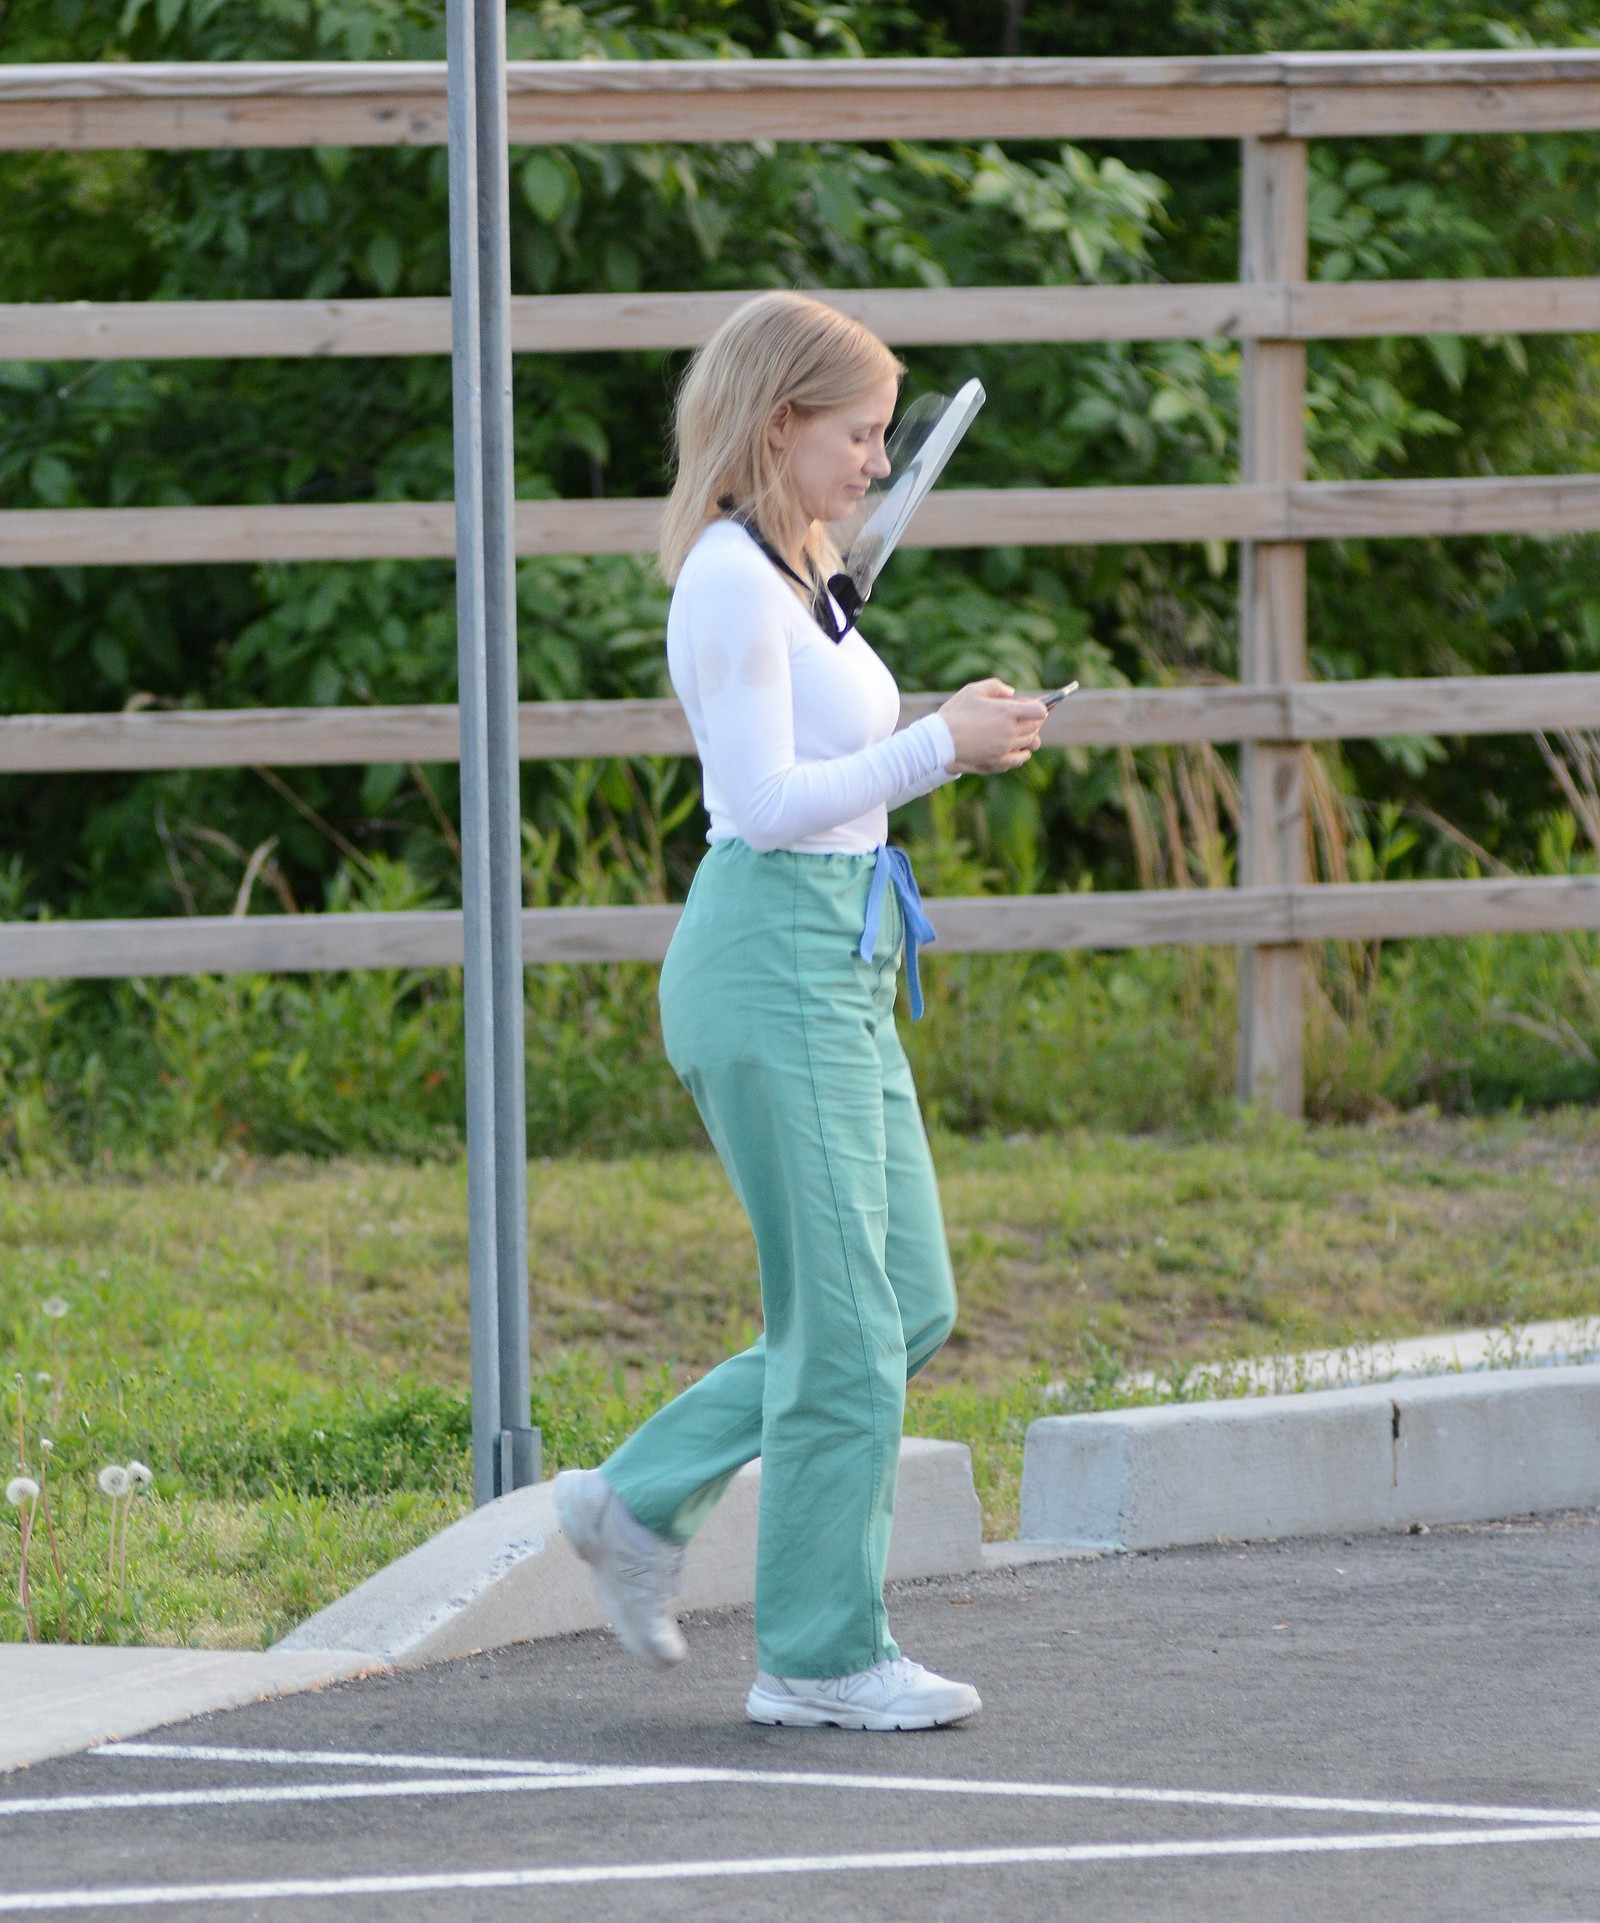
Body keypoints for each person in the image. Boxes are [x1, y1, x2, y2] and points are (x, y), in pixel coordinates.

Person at [554, 291, 1046, 1732]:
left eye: (889, 436)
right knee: (842, 1329)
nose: (880, 462)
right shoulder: (727, 579)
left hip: (841, 958)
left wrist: (945, 732)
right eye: (860, 434)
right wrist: (939, 747)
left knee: (907, 1302)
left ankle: (636, 1499)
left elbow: (837, 751)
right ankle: (822, 1660)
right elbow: (763, 803)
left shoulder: (796, 565)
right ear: (780, 424)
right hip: (771, 956)